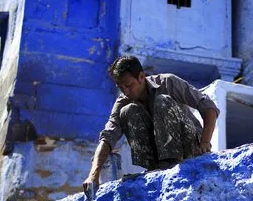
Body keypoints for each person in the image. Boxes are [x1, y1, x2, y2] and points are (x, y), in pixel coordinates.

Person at [82, 55, 219, 193]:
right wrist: (93, 175)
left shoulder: (167, 82)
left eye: (129, 85)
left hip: (190, 149)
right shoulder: (123, 101)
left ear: (141, 77)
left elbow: (208, 106)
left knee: (162, 101)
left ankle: (172, 161)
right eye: (121, 87)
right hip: (158, 162)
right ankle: (155, 167)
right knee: (127, 110)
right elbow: (108, 137)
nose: (126, 91)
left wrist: (205, 141)